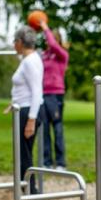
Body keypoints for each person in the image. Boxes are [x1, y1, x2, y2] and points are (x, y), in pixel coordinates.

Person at [8, 25, 44, 200]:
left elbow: (37, 91)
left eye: (15, 41)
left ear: (20, 42)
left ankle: (32, 195)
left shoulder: (30, 61)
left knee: (24, 155)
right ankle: (29, 193)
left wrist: (31, 120)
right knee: (22, 154)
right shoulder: (28, 59)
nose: (14, 45)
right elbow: (24, 89)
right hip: (23, 108)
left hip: (28, 111)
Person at [38, 20, 69, 171]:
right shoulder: (43, 55)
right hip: (42, 95)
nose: (47, 41)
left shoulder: (62, 54)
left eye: (50, 38)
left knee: (57, 129)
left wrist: (45, 28)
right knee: (44, 128)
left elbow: (53, 44)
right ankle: (47, 161)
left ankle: (61, 163)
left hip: (55, 96)